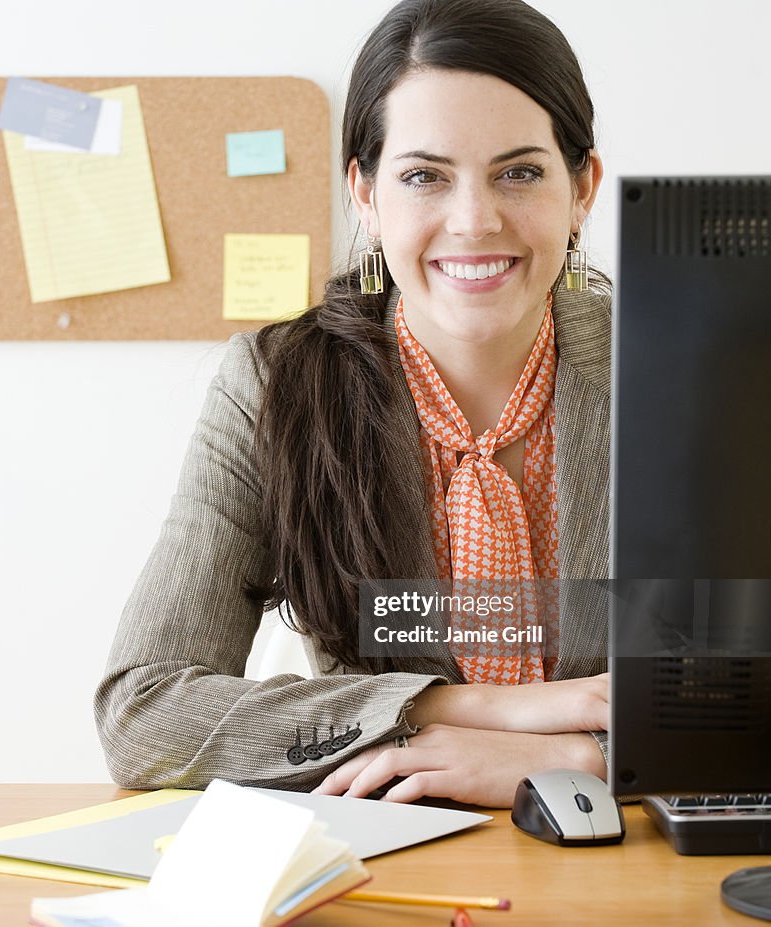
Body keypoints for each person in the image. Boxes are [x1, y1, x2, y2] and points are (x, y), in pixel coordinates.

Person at [94, 0, 613, 809]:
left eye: (519, 171)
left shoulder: (688, 367)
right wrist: (449, 711)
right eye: (423, 176)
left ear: (582, 187)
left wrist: (588, 759)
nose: (474, 220)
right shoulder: (276, 384)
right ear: (364, 192)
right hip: (383, 860)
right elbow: (144, 713)